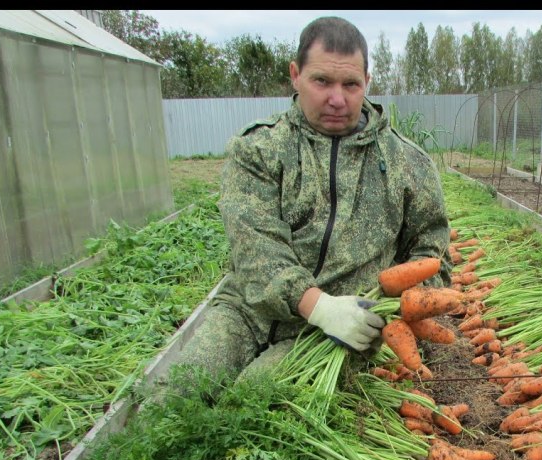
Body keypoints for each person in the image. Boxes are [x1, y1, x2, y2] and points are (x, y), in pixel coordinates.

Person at [171, 16, 451, 388]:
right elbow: (256, 248)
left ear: (367, 81)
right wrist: (317, 305)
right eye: (322, 81)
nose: (337, 99)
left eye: (350, 84)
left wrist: (389, 312)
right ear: (295, 75)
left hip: (340, 332)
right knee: (178, 391)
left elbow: (433, 256)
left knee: (257, 396)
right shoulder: (259, 149)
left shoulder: (408, 163)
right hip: (248, 311)